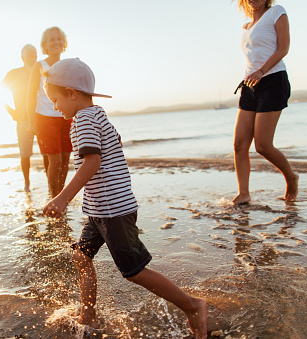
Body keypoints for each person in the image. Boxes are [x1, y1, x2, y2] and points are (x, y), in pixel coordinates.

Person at [42, 58, 207, 339]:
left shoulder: (83, 119)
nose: (55, 107)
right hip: (100, 209)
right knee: (81, 255)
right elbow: (114, 146)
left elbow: (92, 162)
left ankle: (192, 306)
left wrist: (62, 198)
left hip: (113, 211)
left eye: (55, 100)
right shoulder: (98, 114)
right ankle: (88, 317)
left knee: (133, 271)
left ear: (71, 93)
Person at [232, 0, 298, 205]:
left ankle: (291, 177)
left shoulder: (277, 12)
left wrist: (261, 71)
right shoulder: (246, 27)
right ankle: (244, 193)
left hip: (273, 81)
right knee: (239, 145)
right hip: (250, 84)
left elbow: (283, 48)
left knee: (262, 145)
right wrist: (253, 75)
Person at [27, 27, 72, 198]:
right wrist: (31, 121)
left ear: (64, 42)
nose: (56, 42)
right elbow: (30, 95)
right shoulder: (40, 66)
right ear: (45, 44)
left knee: (66, 160)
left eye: (59, 39)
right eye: (52, 39)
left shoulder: (68, 65)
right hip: (45, 118)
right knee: (55, 161)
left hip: (66, 117)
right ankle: (54, 197)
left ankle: (61, 196)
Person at [2, 44, 38, 192]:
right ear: (22, 57)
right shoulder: (14, 73)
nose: (33, 58)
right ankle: (27, 184)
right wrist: (11, 111)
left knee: (48, 153)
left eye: (35, 55)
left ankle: (51, 183)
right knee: (25, 154)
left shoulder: (41, 72)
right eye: (30, 55)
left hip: (42, 118)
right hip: (23, 120)